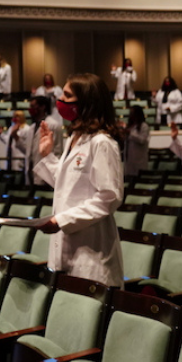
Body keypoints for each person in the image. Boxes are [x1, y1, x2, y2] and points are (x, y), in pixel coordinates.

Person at [33, 73, 125, 286]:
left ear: (86, 102)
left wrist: (62, 220)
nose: (60, 101)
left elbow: (109, 198)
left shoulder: (102, 142)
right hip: (67, 250)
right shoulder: (75, 138)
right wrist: (48, 156)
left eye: (67, 96)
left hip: (92, 255)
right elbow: (68, 184)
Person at [26, 95, 63, 185]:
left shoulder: (53, 125)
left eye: (33, 106)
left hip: (47, 175)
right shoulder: (31, 128)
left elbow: (58, 151)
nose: (30, 109)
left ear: (43, 107)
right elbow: (29, 151)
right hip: (31, 173)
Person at [124, 106, 151, 176]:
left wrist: (130, 133)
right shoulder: (130, 126)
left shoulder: (144, 126)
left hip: (139, 159)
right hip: (129, 159)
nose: (131, 115)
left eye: (132, 113)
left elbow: (142, 140)